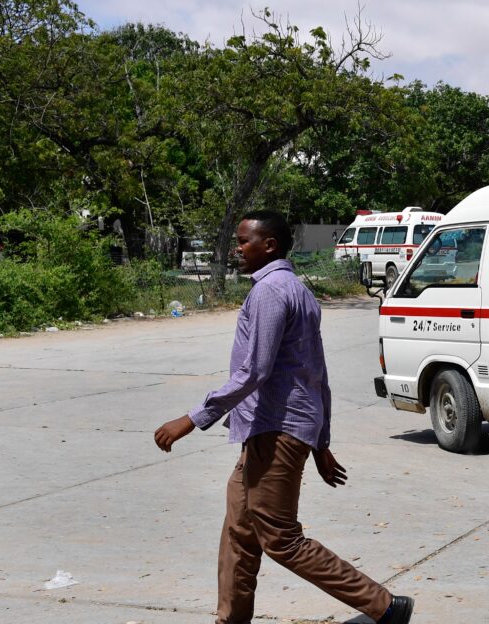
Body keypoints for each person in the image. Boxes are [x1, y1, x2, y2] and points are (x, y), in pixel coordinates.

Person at [153, 211, 413, 624]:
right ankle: (231, 619)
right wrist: (320, 443)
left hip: (275, 431)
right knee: (239, 532)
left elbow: (254, 371)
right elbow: (316, 374)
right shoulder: (297, 289)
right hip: (269, 430)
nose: (236, 249)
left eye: (243, 242)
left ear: (269, 245)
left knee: (282, 540)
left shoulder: (271, 293)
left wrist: (192, 418)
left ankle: (384, 606)